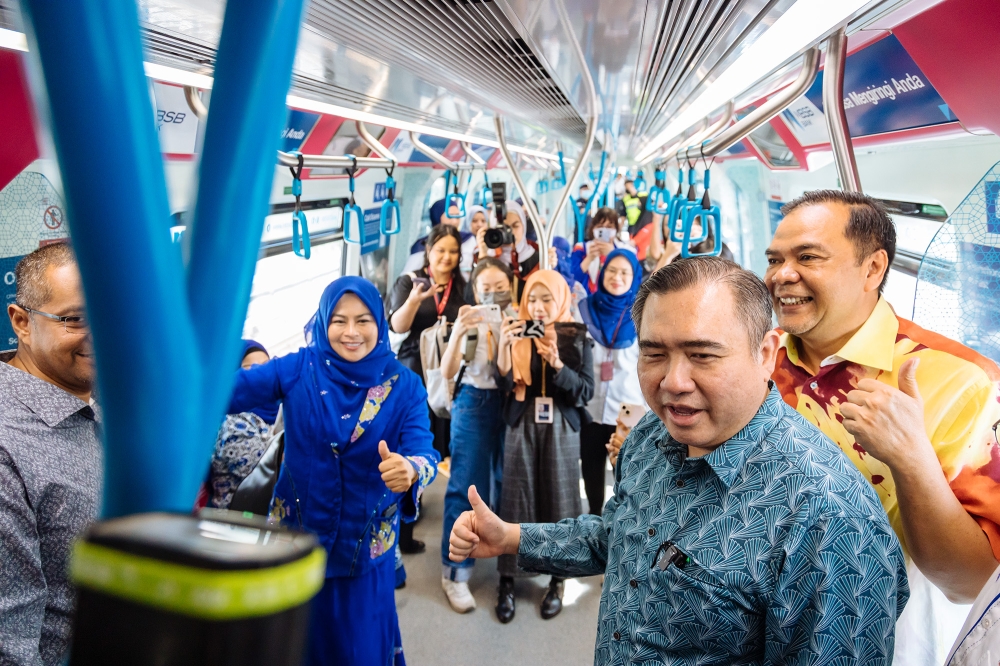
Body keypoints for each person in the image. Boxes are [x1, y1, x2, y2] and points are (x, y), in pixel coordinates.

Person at [450, 256, 910, 665]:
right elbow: (616, 540)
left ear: (766, 354)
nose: (673, 381)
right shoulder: (653, 435)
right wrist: (512, 537)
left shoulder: (830, 518)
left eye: (702, 355)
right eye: (654, 354)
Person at [765, 190, 1000, 665]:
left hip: (887, 636)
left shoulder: (958, 380)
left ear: (873, 269)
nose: (780, 275)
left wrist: (911, 460)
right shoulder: (757, 359)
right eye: (775, 259)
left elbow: (973, 581)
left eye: (807, 256)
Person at [229, 276, 439, 666]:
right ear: (323, 322)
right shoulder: (298, 368)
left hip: (362, 555)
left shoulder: (405, 386)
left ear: (380, 322)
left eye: (363, 320)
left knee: (356, 651)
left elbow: (424, 452)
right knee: (290, 649)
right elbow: (229, 390)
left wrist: (410, 469)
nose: (351, 332)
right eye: (338, 321)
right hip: (294, 546)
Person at [0, 243, 101, 666]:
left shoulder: (101, 399)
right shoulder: (8, 446)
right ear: (22, 321)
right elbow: (11, 644)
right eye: (76, 319)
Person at [493, 270, 594, 623]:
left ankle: (558, 577)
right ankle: (507, 578)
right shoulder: (515, 330)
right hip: (522, 420)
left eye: (546, 299)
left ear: (561, 300)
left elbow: (585, 391)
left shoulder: (575, 336)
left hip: (562, 426)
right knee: (516, 498)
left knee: (561, 499)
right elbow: (502, 383)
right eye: (532, 299)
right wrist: (505, 348)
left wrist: (557, 363)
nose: (537, 308)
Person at [437, 258, 513, 613]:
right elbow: (448, 370)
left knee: (503, 483)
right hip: (472, 399)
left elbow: (507, 371)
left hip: (510, 402)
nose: (493, 293)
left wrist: (506, 337)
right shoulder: (466, 318)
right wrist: (457, 333)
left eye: (500, 287)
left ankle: (499, 558)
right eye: (486, 288)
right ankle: (455, 572)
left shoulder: (518, 317)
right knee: (466, 483)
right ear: (475, 289)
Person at [389, 223, 468, 552]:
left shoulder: (463, 286)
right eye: (440, 251)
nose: (447, 257)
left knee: (434, 447)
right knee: (410, 445)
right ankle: (403, 532)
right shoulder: (409, 282)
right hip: (412, 373)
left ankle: (416, 505)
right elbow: (396, 326)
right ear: (428, 251)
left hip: (447, 374)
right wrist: (412, 301)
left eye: (453, 251)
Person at [578, 249, 645, 516]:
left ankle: (624, 530)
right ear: (602, 273)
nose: (617, 277)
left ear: (634, 277)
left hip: (628, 410)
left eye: (624, 272)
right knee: (591, 473)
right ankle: (595, 526)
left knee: (627, 476)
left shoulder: (642, 315)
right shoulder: (585, 309)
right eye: (611, 271)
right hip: (589, 408)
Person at [200, 340, 280, 510]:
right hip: (234, 525)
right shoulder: (225, 424)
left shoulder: (283, 412)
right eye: (248, 369)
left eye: (265, 367)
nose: (258, 375)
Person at [402, 199, 478, 277]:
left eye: (457, 216)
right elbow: (407, 276)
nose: (455, 222)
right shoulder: (422, 246)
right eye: (450, 217)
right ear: (437, 218)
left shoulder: (468, 239)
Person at [570, 207, 636, 293]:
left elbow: (632, 279)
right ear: (593, 228)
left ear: (616, 229)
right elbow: (572, 277)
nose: (605, 230)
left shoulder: (627, 251)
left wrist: (613, 254)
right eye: (600, 226)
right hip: (586, 300)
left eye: (609, 227)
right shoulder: (581, 248)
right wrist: (589, 259)